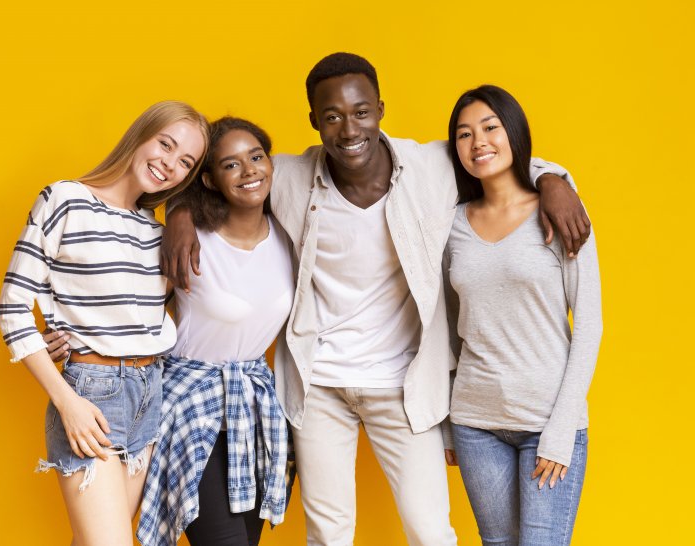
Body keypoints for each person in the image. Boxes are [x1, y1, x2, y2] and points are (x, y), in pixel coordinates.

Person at [161, 52, 591, 546]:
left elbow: (495, 157)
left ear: (381, 108)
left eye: (361, 111)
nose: (349, 129)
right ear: (314, 123)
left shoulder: (431, 166)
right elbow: (222, 176)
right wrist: (178, 214)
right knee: (328, 533)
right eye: (332, 117)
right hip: (320, 385)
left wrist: (553, 179)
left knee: (431, 531)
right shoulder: (289, 176)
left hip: (402, 384)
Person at [0, 101, 209, 546]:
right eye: (165, 144)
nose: (169, 164)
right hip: (89, 394)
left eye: (185, 162)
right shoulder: (65, 200)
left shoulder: (156, 230)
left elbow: (141, 318)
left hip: (150, 394)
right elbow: (13, 306)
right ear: (140, 135)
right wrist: (65, 397)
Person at [443, 85, 602, 546]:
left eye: (491, 128)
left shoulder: (559, 210)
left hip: (547, 418)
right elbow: (449, 330)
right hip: (475, 421)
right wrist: (448, 424)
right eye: (464, 134)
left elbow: (589, 324)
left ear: (514, 132)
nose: (479, 143)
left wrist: (562, 429)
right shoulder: (450, 223)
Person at [133, 117, 294, 546]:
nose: (249, 171)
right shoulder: (188, 241)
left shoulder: (290, 234)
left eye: (256, 157)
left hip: (255, 411)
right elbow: (129, 305)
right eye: (230, 165)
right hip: (191, 406)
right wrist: (69, 335)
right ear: (208, 178)